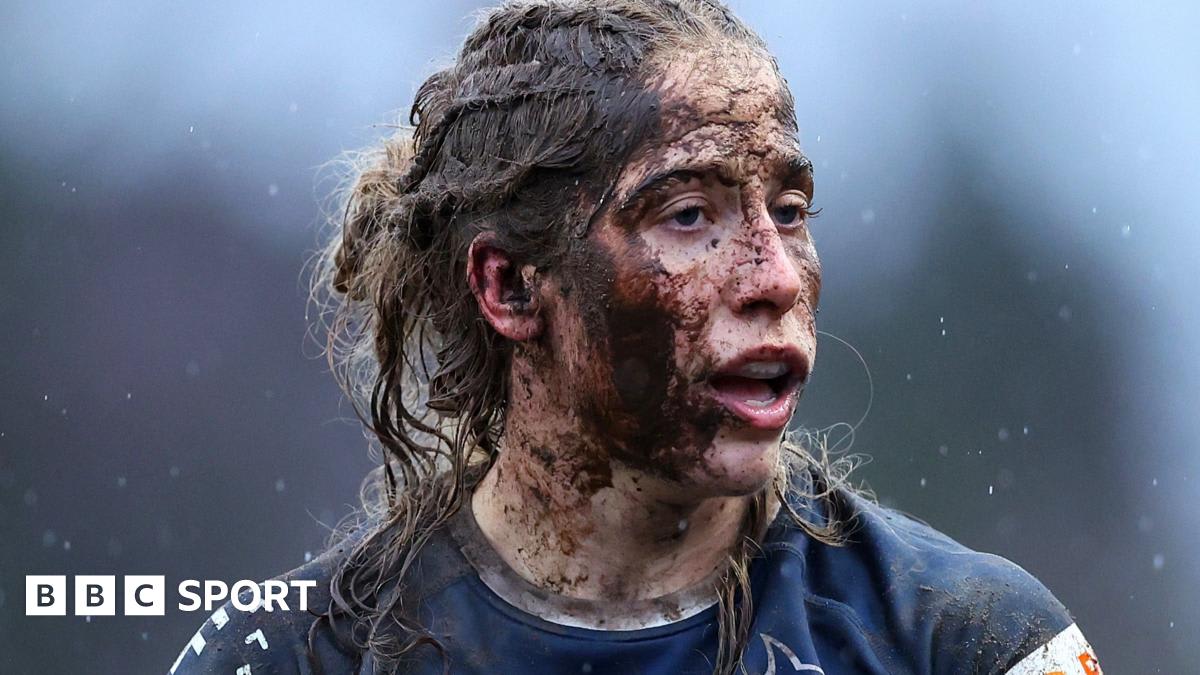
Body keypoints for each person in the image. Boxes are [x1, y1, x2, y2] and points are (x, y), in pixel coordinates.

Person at [169, 1, 1102, 673]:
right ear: (509, 285)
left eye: (788, 210)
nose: (776, 276)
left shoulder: (972, 644)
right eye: (689, 214)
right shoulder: (291, 655)